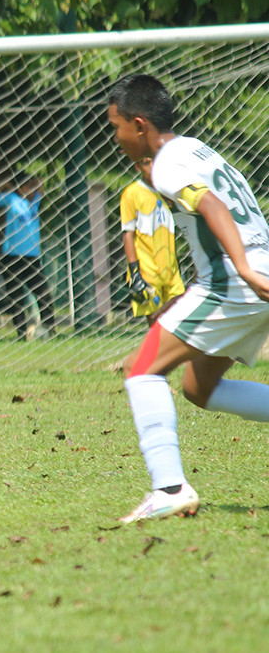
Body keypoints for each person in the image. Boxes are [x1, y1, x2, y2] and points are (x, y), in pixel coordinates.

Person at [107, 73, 269, 522]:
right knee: (200, 387)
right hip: (256, 273)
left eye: (116, 126)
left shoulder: (165, 165)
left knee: (140, 370)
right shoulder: (197, 148)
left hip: (236, 282)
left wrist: (240, 267)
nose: (115, 137)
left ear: (139, 125)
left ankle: (170, 488)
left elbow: (214, 208)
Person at [0, 170, 56, 340]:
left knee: (43, 294)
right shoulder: (11, 199)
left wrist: (34, 183)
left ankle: (50, 330)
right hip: (12, 256)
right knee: (16, 298)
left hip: (32, 257)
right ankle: (21, 334)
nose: (31, 189)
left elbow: (42, 183)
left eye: (32, 186)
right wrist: (3, 187)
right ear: (20, 188)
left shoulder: (35, 201)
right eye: (27, 186)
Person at [118, 157, 185, 325]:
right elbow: (128, 234)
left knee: (182, 324)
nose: (152, 167)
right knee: (157, 328)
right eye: (147, 163)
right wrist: (134, 273)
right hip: (148, 271)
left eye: (155, 161)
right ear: (137, 166)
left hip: (171, 270)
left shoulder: (169, 192)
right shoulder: (132, 193)